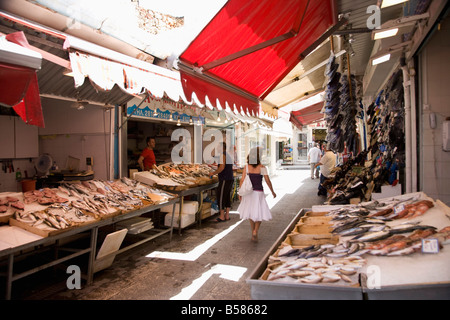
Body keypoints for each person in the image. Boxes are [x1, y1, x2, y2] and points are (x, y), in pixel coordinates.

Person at [237, 147, 276, 241]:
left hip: (248, 193)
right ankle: (255, 230)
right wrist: (272, 191)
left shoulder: (246, 167)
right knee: (260, 212)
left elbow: (242, 180)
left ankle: (253, 232)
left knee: (250, 212)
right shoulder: (262, 167)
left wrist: (240, 192)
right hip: (259, 192)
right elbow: (267, 181)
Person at [209, 142, 234, 222]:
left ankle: (222, 216)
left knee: (221, 197)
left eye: (218, 146)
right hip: (229, 178)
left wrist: (213, 173)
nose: (217, 148)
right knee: (226, 197)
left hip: (225, 179)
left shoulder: (222, 155)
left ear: (222, 147)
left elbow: (222, 167)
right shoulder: (227, 155)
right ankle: (227, 216)